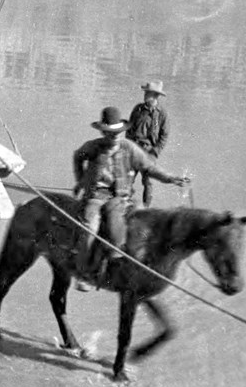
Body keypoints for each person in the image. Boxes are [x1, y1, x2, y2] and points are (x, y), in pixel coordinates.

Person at [72, 106, 189, 290]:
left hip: (121, 196)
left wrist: (171, 179)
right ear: (103, 132)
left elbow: (149, 167)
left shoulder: (129, 148)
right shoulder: (93, 147)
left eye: (118, 133)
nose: (115, 137)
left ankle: (142, 267)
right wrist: (81, 181)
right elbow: (77, 156)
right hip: (97, 196)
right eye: (110, 133)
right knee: (89, 226)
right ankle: (85, 273)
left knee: (134, 225)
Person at [127, 80, 170, 207]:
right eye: (146, 93)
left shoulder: (162, 114)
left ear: (156, 96)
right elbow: (129, 128)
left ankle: (146, 208)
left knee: (148, 181)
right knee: (128, 178)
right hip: (134, 148)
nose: (145, 95)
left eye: (148, 93)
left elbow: (164, 135)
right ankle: (125, 203)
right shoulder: (138, 109)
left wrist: (155, 152)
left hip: (149, 150)